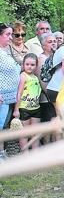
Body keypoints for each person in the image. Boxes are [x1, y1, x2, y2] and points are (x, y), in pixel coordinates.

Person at [0, 22, 21, 160]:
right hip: (1, 97)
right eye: (7, 34)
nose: (10, 37)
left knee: (1, 128)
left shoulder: (5, 51)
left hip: (8, 98)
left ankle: (1, 153)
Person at [14, 53, 42, 150]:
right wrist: (16, 109)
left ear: (36, 66)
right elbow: (19, 93)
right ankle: (25, 155)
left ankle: (35, 154)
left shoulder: (35, 77)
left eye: (32, 65)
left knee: (35, 133)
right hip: (24, 108)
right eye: (27, 64)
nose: (29, 67)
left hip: (36, 108)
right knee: (24, 134)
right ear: (23, 65)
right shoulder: (23, 76)